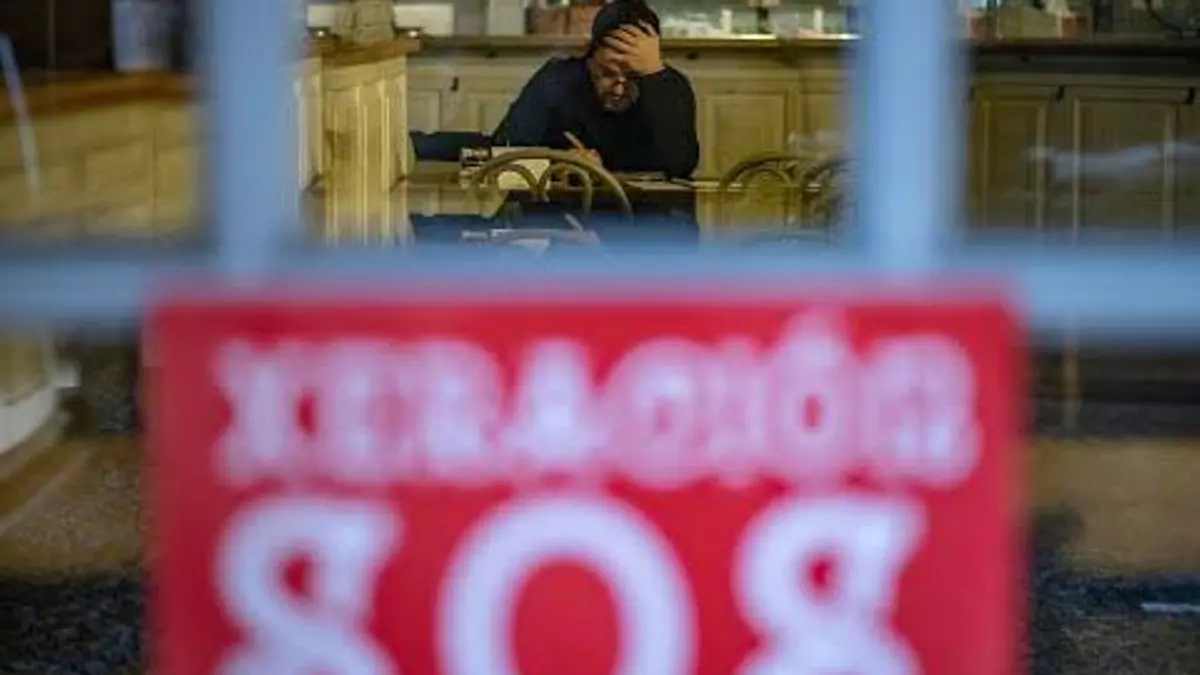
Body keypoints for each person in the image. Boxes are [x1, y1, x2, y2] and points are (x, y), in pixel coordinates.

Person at [491, 0, 700, 179]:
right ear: (589, 60)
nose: (619, 90)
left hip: (646, 212)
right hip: (566, 209)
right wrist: (557, 163)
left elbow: (680, 166)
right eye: (607, 74)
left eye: (634, 77)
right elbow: (504, 151)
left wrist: (655, 78)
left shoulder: (669, 85)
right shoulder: (558, 80)